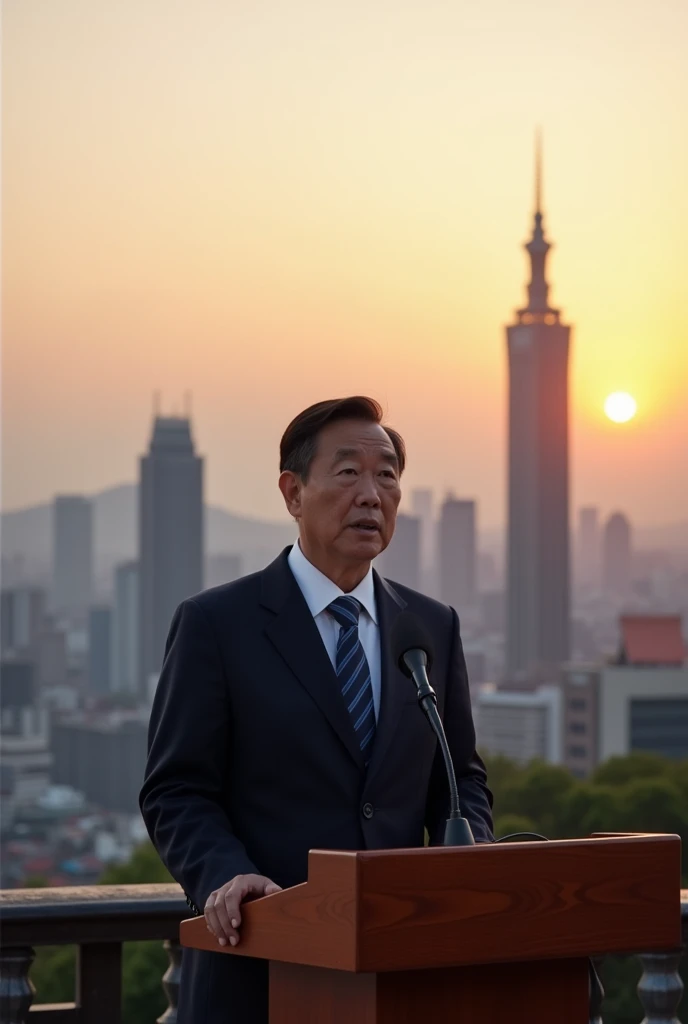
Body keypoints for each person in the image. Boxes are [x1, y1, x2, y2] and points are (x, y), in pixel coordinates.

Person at [140, 396, 493, 1024]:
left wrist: (460, 873)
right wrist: (228, 876)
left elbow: (460, 779)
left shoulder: (431, 627)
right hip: (259, 963)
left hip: (400, 970)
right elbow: (176, 789)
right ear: (293, 492)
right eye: (349, 471)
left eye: (387, 475)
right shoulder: (218, 624)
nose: (371, 494)